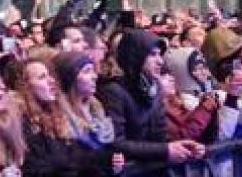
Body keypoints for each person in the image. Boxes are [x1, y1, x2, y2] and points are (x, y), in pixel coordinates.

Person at [97, 29, 204, 168]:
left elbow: (160, 136)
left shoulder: (154, 88)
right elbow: (117, 143)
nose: (160, 61)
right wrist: (165, 151)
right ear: (136, 56)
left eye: (160, 55)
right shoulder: (113, 91)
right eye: (152, 55)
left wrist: (184, 147)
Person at [18, 55, 118, 176]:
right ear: (26, 86)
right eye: (42, 77)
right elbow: (40, 169)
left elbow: (81, 159)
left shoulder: (56, 115)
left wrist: (111, 163)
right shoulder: (25, 124)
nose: (51, 81)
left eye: (49, 75)